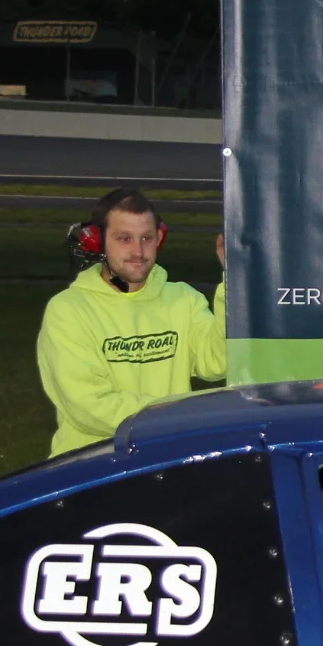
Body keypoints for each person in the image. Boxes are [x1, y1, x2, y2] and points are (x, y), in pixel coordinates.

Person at [37, 188, 227, 456]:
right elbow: (89, 407)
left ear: (159, 238)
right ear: (97, 242)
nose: (138, 251)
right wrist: (181, 416)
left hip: (165, 460)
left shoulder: (183, 299)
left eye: (146, 238)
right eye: (124, 239)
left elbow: (216, 364)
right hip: (91, 469)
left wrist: (234, 279)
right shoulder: (68, 311)